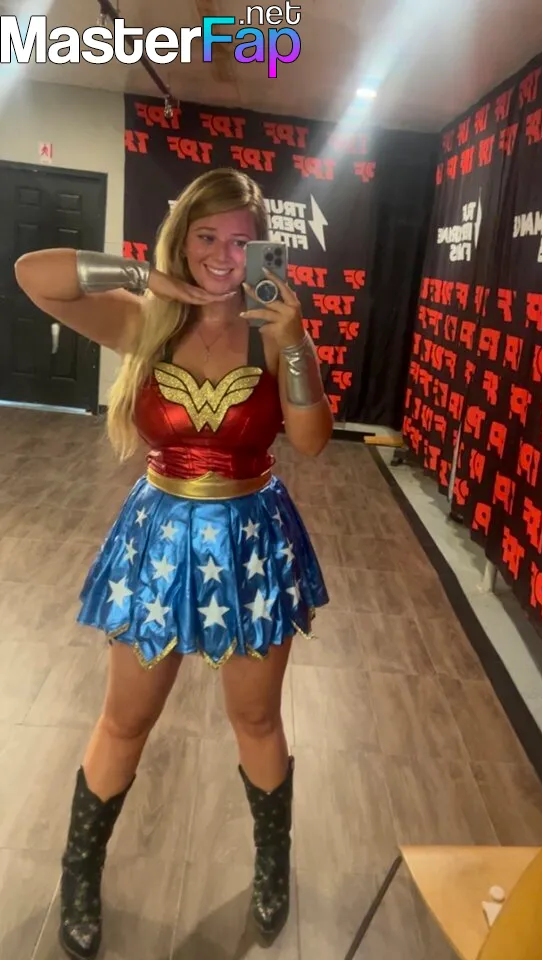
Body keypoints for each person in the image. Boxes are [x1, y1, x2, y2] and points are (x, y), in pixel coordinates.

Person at [14, 167, 333, 960]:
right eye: (206, 236)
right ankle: (79, 873)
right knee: (125, 720)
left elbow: (310, 442)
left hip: (252, 538)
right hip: (157, 537)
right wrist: (141, 276)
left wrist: (294, 344)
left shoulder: (274, 329)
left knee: (256, 719)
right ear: (181, 239)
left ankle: (271, 865)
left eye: (240, 241)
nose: (223, 255)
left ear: (263, 249)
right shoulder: (146, 321)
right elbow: (33, 275)